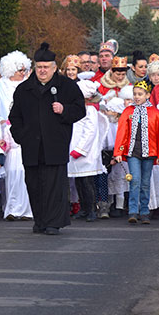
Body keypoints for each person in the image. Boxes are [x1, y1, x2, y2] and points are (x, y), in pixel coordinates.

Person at [10, 42, 85, 235]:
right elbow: (15, 116)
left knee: (54, 186)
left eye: (46, 67)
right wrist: (20, 136)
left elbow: (80, 110)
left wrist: (64, 109)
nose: (42, 71)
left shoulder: (66, 86)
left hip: (55, 144)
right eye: (39, 67)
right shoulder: (24, 89)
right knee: (34, 184)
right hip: (31, 145)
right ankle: (40, 220)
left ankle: (54, 222)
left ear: (54, 68)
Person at [113, 80, 159, 224]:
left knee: (145, 182)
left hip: (149, 152)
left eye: (140, 94)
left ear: (147, 95)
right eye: (135, 94)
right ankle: (133, 211)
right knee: (135, 180)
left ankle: (144, 211)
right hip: (133, 152)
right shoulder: (128, 111)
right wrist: (118, 152)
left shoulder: (155, 113)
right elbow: (122, 132)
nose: (137, 97)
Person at [0, 51, 33, 221]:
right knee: (10, 173)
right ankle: (11, 208)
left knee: (24, 171)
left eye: (24, 69)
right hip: (5, 132)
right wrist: (0, 121)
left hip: (25, 132)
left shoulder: (29, 86)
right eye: (20, 70)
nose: (23, 73)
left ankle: (27, 209)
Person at [68, 79, 106, 222]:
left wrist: (80, 149)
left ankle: (92, 209)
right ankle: (84, 208)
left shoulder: (90, 110)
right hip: (75, 151)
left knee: (87, 181)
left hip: (86, 153)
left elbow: (90, 132)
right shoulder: (79, 109)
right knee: (79, 180)